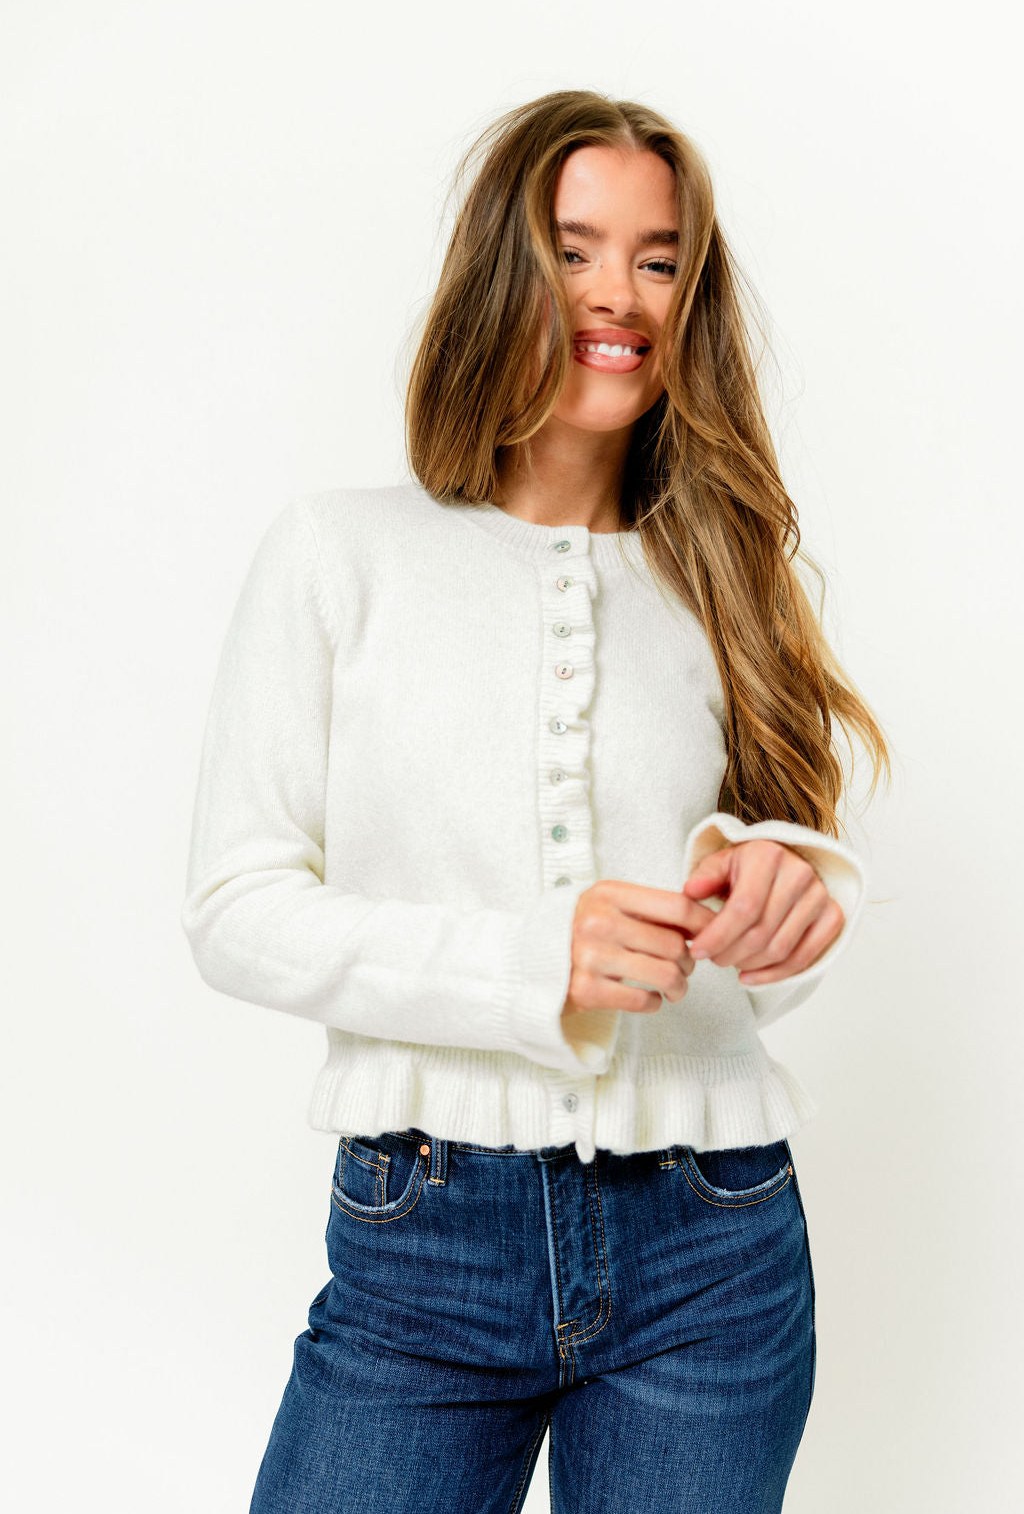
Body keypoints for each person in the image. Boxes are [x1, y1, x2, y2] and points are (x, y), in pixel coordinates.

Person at [181, 89, 891, 1514]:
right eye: (574, 250)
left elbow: (760, 961)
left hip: (715, 1242)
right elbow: (236, 911)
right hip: (426, 1244)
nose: (617, 294)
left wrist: (783, 892)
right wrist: (532, 961)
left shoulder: (730, 576)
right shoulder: (337, 555)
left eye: (659, 259)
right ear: (501, 270)